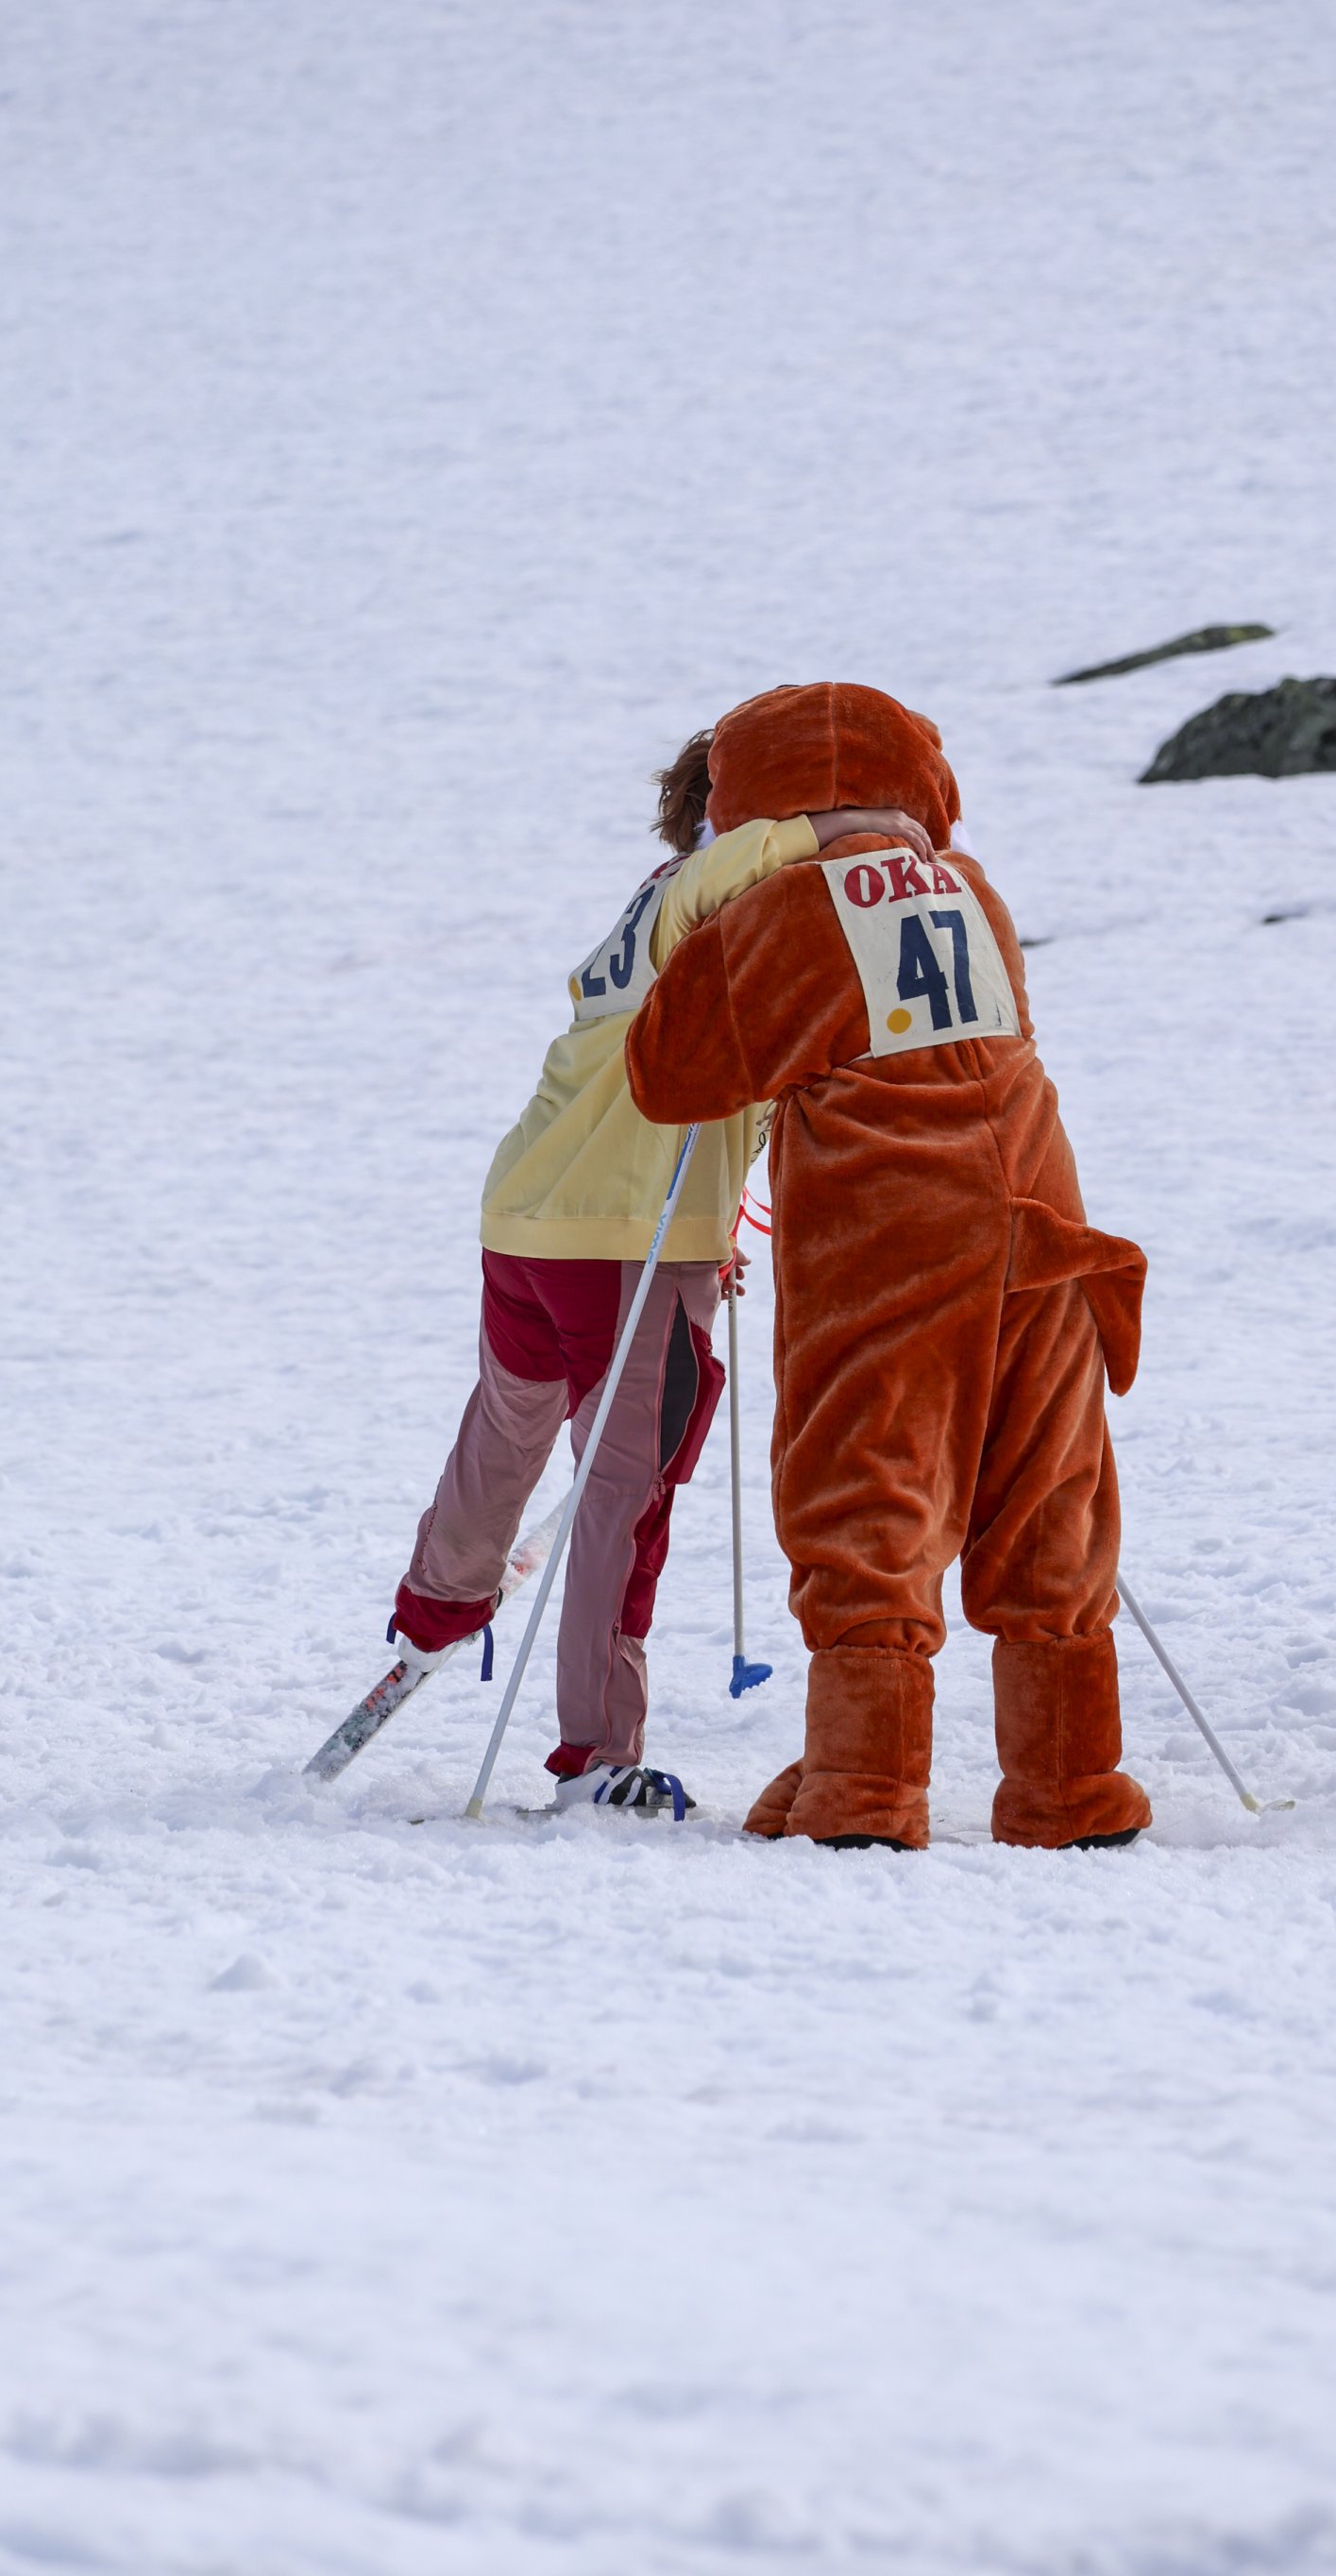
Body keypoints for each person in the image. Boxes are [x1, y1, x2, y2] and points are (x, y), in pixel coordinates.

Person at [626, 682, 1150, 1852]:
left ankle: (864, 1787)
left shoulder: (787, 911)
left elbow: (670, 1069)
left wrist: (711, 913)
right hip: (1039, 1220)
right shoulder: (974, 890)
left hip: (894, 1237)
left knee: (866, 1491)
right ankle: (1069, 1787)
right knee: (1046, 1496)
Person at [386, 730, 937, 1814]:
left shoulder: (651, 902)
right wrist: (853, 830)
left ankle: (435, 1604)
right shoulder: (713, 889)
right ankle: (595, 1750)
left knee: (510, 1419)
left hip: (530, 1208)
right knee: (624, 1491)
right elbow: (736, 866)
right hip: (627, 1238)